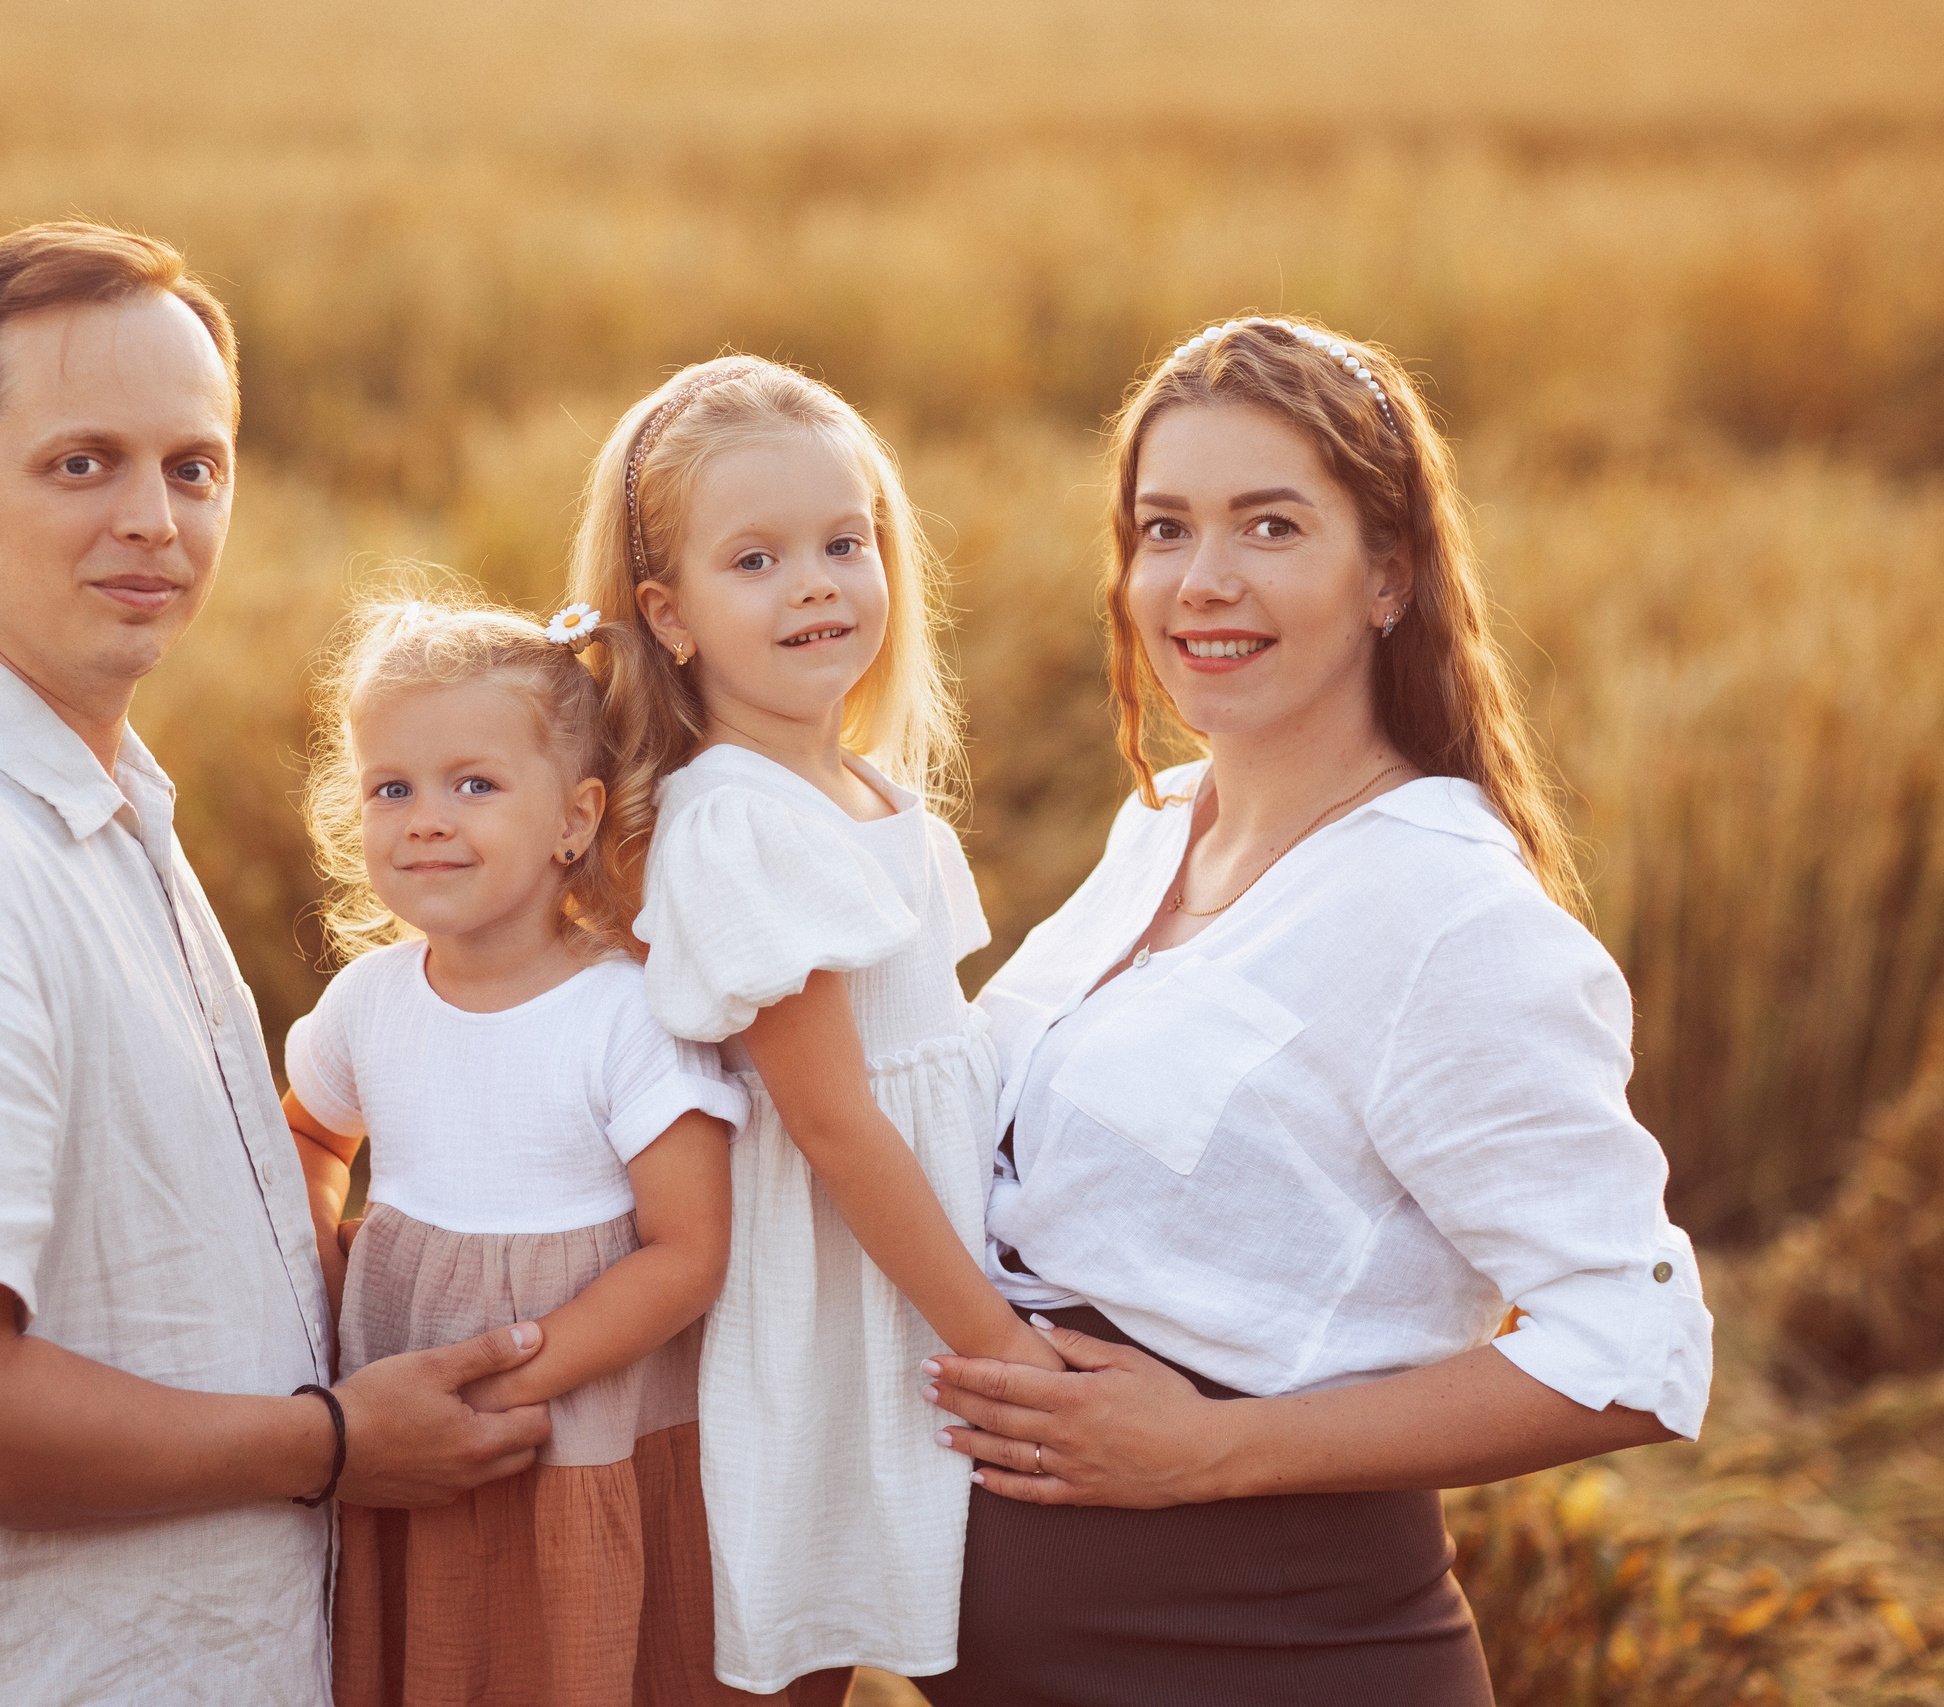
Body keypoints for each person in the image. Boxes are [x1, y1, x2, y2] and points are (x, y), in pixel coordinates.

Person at [0, 222, 553, 1707]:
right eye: (80, 462)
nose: (154, 519)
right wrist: (340, 1439)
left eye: (194, 464)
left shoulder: (91, 808)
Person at [918, 316, 1716, 1705]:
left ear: (1389, 573)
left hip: (1268, 1656)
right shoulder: (1163, 824)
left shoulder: (1446, 916)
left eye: (1270, 525)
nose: (1200, 580)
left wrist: (1212, 1451)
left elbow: (1636, 1347)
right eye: (1162, 528)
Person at [563, 356, 1065, 1704]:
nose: (816, 583)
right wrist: (999, 1343)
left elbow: (931, 1055)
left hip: (913, 1257)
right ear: (667, 615)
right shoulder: (739, 819)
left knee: (855, 1610)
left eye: (847, 542)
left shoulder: (851, 780)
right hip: (843, 1278)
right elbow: (837, 1121)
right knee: (788, 1618)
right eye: (757, 558)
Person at [281, 592, 755, 1706]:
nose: (425, 819)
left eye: (474, 785)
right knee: (431, 1654)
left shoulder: (625, 1015)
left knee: (573, 1658)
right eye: (391, 788)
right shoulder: (368, 1002)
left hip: (570, 1422)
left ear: (574, 820)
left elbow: (687, 1253)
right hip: (402, 1418)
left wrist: (509, 1390)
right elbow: (305, 1132)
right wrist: (328, 1261)